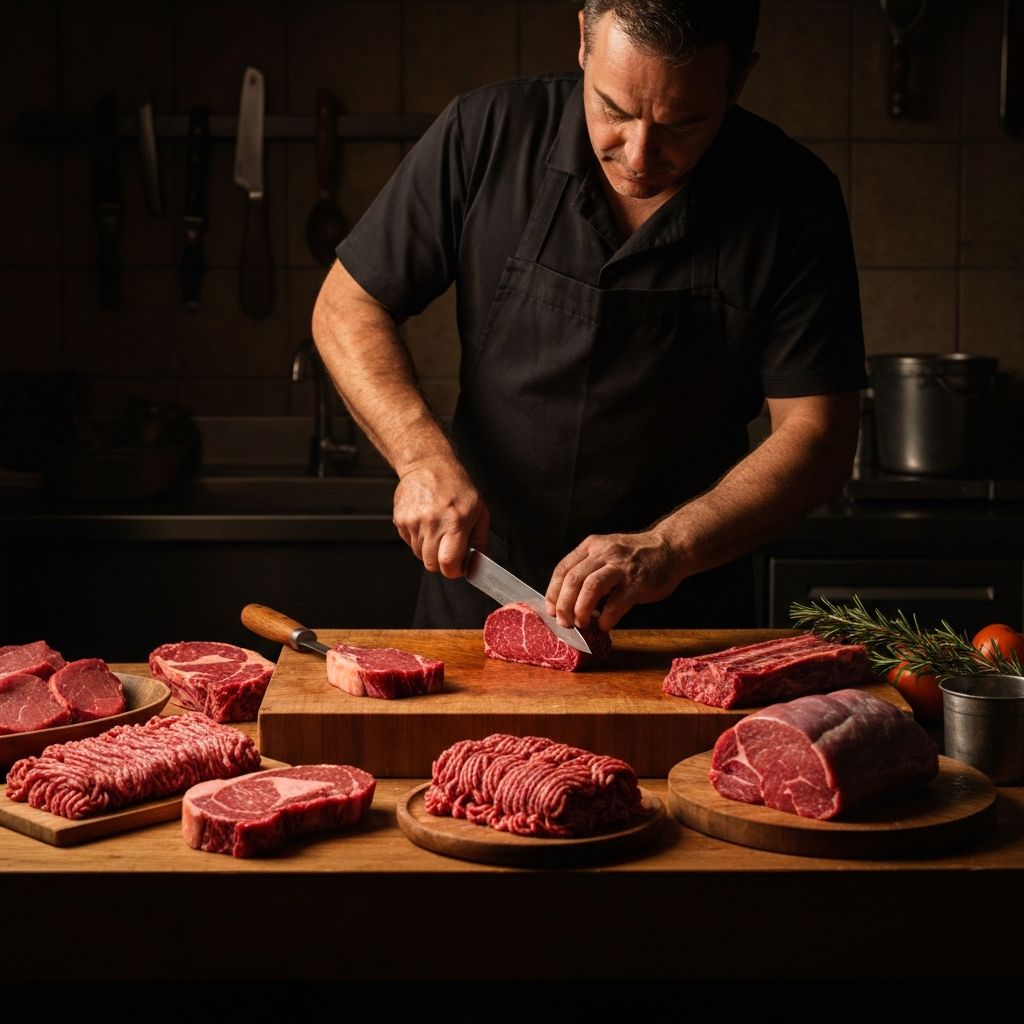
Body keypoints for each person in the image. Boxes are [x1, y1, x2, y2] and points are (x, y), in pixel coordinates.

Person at [311, 0, 865, 633]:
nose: (638, 155)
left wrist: (670, 548)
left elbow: (818, 434)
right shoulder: (485, 133)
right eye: (614, 110)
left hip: (679, 618)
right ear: (583, 39)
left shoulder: (795, 198)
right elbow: (347, 304)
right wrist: (418, 457)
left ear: (738, 79)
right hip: (479, 593)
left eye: (682, 123)